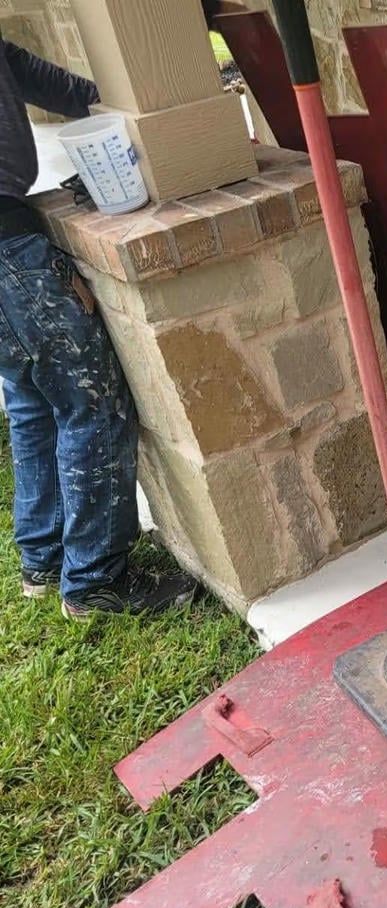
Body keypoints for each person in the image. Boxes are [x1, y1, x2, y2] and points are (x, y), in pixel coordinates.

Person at [0, 33, 197, 617]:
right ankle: (94, 581)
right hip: (8, 251)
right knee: (93, 405)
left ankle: (43, 556)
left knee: (34, 401)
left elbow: (72, 92)